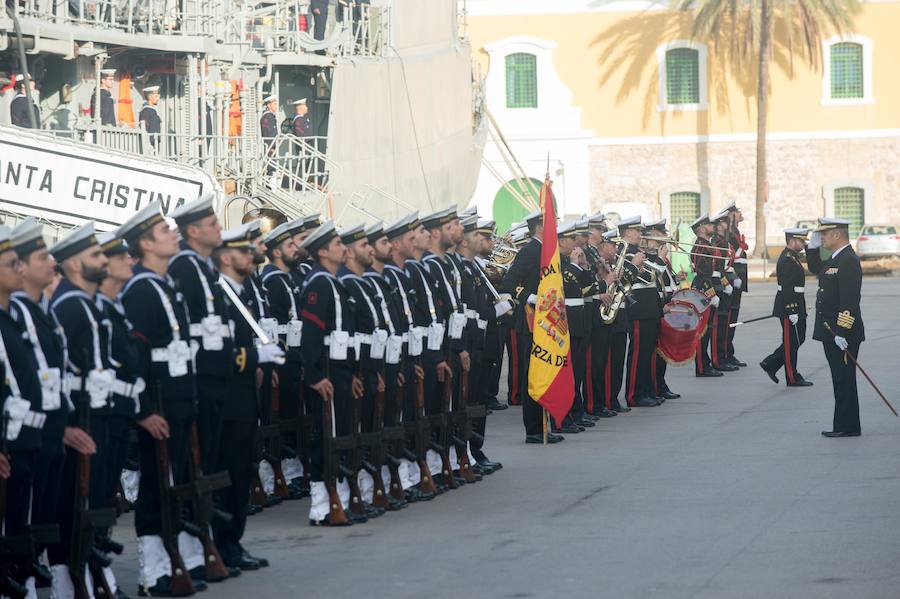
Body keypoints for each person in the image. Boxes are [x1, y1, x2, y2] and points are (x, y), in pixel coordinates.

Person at [118, 202, 204, 596]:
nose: (175, 235)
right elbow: (133, 358)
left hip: (180, 398)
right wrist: (143, 412)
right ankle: (153, 572)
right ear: (147, 244)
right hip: (158, 405)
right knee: (155, 488)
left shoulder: (166, 285)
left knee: (178, 482)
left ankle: (179, 558)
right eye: (166, 232)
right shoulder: (140, 290)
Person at [47, 223, 121, 597]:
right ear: (74, 264)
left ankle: (90, 576)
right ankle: (68, 581)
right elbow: (58, 374)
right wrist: (68, 424)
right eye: (96, 256)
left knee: (92, 504)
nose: (104, 260)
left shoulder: (87, 303)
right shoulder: (70, 306)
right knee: (70, 509)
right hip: (80, 421)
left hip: (98, 416)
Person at [212, 225, 283, 569]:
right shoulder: (218, 295)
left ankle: (232, 543)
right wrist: (254, 360)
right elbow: (218, 353)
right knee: (227, 477)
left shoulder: (239, 293)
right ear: (226, 257)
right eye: (243, 252)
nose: (252, 257)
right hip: (226, 402)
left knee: (240, 475)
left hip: (243, 399)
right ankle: (221, 546)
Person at [297, 221, 364, 525]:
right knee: (327, 439)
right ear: (322, 251)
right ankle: (322, 506)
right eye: (337, 244)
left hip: (339, 370)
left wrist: (352, 373)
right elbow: (309, 335)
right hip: (326, 370)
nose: (343, 248)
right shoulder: (320, 283)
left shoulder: (333, 282)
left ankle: (341, 500)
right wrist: (313, 375)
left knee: (341, 435)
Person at [0, 224, 51, 596]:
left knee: (21, 526)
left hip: (26, 441)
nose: (20, 270)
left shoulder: (15, 317)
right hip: (8, 446)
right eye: (11, 263)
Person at [167, 196, 232, 474]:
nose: (220, 228)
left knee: (208, 455)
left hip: (213, 372)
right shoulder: (185, 266)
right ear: (193, 231)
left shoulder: (202, 266)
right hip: (201, 372)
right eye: (212, 223)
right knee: (193, 460)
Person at [501, 210, 564, 444]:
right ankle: (534, 429)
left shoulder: (548, 251)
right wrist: (529, 297)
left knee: (546, 372)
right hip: (530, 321)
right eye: (552, 225)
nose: (556, 229)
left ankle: (544, 424)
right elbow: (509, 283)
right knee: (534, 375)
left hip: (547, 322)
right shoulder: (529, 251)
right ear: (540, 227)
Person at [806, 218, 864, 437]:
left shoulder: (848, 260)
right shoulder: (835, 258)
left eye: (824, 234)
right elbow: (816, 269)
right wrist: (811, 249)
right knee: (839, 379)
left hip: (842, 333)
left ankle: (847, 426)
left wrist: (842, 332)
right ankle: (845, 425)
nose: (821, 237)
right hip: (831, 330)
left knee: (844, 379)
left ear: (837, 235)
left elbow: (849, 300)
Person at [760, 228, 814, 387]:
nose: (804, 244)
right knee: (791, 342)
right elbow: (787, 288)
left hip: (797, 305)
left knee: (798, 339)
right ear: (792, 241)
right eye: (801, 241)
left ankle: (770, 363)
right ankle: (792, 377)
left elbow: (813, 263)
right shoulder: (787, 259)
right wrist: (792, 311)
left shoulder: (793, 257)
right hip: (789, 307)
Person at [617, 216, 659, 408]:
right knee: (638, 354)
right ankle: (634, 394)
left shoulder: (638, 252)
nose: (640, 234)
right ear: (627, 232)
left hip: (650, 307)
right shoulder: (624, 253)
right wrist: (637, 263)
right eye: (637, 231)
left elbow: (652, 276)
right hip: (638, 309)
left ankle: (648, 390)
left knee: (648, 353)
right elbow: (633, 278)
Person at [690, 214, 724, 378]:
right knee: (703, 330)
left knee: (708, 329)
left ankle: (706, 363)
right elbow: (702, 273)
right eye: (709, 225)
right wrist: (711, 294)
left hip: (706, 290)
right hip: (702, 291)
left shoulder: (706, 245)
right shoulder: (700, 247)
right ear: (702, 229)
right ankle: (702, 366)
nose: (713, 227)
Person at [709, 210, 738, 373]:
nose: (728, 225)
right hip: (717, 285)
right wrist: (724, 283)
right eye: (726, 223)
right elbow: (715, 269)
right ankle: (718, 358)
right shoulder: (717, 242)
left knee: (724, 324)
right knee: (718, 326)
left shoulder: (722, 241)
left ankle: (723, 356)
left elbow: (725, 266)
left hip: (723, 284)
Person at [725, 202, 749, 367]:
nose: (741, 214)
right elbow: (729, 259)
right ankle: (725, 353)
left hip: (739, 280)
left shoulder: (735, 232)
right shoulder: (728, 234)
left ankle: (729, 351)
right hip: (732, 280)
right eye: (737, 212)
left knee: (733, 319)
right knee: (728, 319)